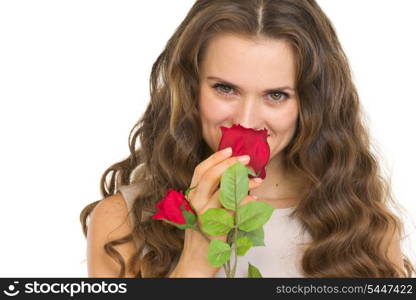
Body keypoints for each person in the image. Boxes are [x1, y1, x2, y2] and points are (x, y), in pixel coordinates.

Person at [80, 0, 415, 278]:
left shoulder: (363, 229)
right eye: (225, 89)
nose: (247, 120)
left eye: (276, 95)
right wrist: (199, 249)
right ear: (191, 88)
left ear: (311, 104)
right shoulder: (122, 223)